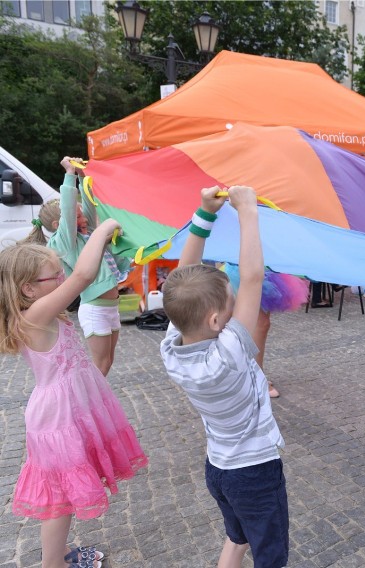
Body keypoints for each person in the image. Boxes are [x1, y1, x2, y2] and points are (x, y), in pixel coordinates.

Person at [0, 225, 147, 568]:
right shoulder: (35, 316)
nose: (62, 277)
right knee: (60, 497)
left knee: (62, 495)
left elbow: (71, 269)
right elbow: (82, 275)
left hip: (71, 410)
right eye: (54, 276)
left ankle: (56, 560)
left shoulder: (41, 310)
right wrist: (103, 230)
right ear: (28, 289)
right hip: (57, 417)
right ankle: (53, 564)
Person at [160, 186, 289, 568]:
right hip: (254, 473)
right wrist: (248, 210)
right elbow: (252, 278)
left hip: (219, 470)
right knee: (271, 556)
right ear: (216, 321)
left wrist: (205, 213)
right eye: (231, 305)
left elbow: (181, 279)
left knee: (237, 538)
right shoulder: (229, 353)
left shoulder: (174, 347)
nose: (239, 306)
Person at [23, 157, 131, 377]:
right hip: (95, 309)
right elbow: (69, 211)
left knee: (108, 362)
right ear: (58, 225)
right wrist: (69, 174)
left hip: (110, 307)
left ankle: (96, 399)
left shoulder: (88, 234)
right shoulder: (64, 244)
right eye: (77, 215)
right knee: (100, 366)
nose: (82, 217)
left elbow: (90, 206)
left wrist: (83, 176)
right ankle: (89, 401)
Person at [222, 265, 309, 399]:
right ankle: (255, 377)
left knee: (258, 323)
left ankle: (251, 374)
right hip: (245, 267)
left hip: (263, 268)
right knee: (260, 324)